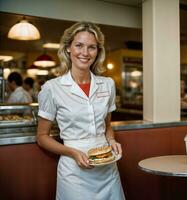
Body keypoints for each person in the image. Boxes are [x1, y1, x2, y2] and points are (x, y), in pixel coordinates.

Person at [37, 22, 125, 200]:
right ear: (68, 48)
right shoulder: (52, 88)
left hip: (107, 168)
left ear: (97, 52)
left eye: (91, 47)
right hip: (74, 172)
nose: (85, 53)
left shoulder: (107, 84)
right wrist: (73, 152)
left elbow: (107, 125)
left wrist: (112, 139)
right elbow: (42, 137)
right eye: (79, 45)